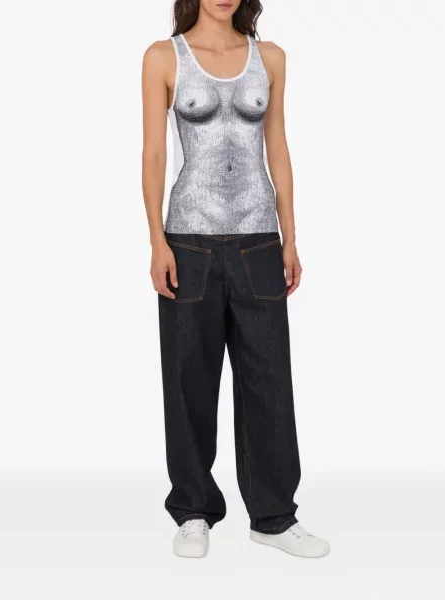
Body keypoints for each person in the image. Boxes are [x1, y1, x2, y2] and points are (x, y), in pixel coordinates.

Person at [141, 0, 330, 559]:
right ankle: (193, 511)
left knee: (268, 380)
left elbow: (278, 147)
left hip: (258, 240)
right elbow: (154, 154)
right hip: (188, 240)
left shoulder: (270, 58)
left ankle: (273, 517)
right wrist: (156, 241)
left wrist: (290, 236)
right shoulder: (163, 57)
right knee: (189, 380)